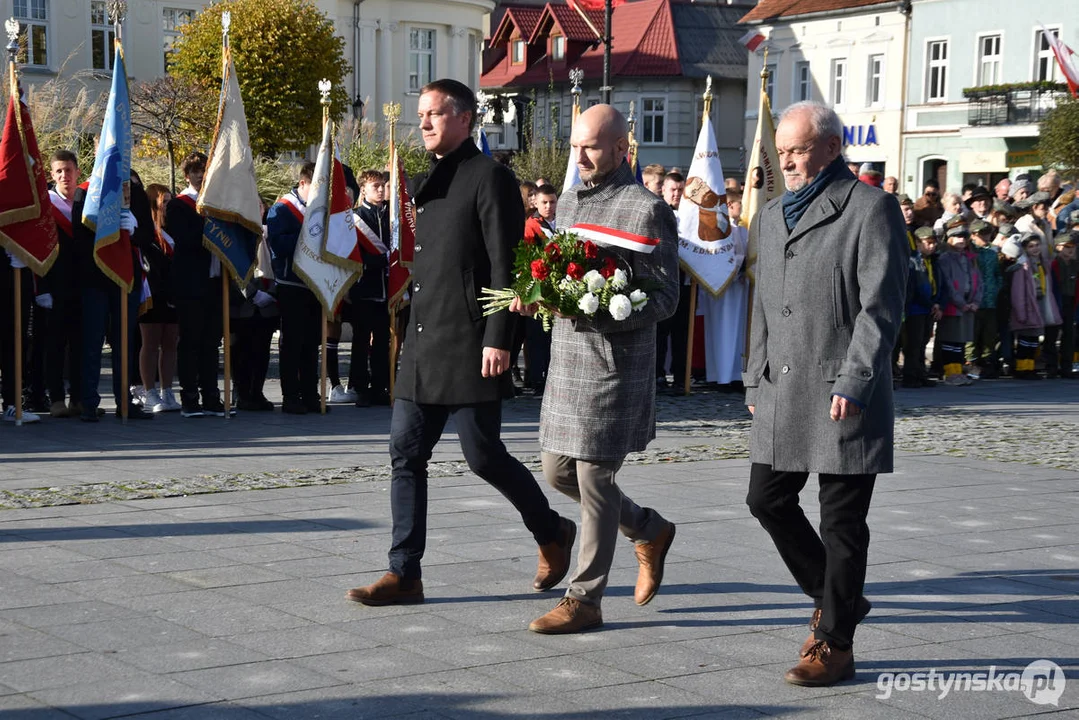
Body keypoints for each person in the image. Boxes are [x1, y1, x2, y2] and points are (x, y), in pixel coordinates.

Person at [346, 79, 575, 607]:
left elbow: (506, 261)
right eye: (420, 113)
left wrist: (500, 338)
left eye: (434, 113)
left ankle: (551, 532)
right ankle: (404, 572)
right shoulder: (432, 179)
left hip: (472, 342)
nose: (422, 122)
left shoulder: (489, 177)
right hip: (424, 343)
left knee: (483, 455)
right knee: (405, 454)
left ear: (466, 117)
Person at [743, 101, 908, 686]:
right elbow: (763, 302)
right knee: (765, 498)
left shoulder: (870, 208)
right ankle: (836, 595)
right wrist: (753, 373)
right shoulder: (770, 215)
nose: (786, 160)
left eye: (798, 149)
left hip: (842, 386)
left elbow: (881, 306)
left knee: (841, 520)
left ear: (831, 147)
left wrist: (857, 379)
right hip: (782, 384)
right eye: (781, 151)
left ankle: (834, 642)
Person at [514, 103, 679, 634]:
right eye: (575, 146)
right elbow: (564, 274)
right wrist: (540, 295)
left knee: (594, 477)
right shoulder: (567, 200)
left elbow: (668, 299)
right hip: (568, 360)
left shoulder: (647, 209)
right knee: (558, 473)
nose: (581, 156)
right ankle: (648, 529)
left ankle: (584, 599)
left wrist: (610, 304)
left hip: (615, 366)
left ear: (619, 149)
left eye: (591, 146)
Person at [166, 152, 230, 418]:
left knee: (211, 343)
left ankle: (212, 397)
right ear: (186, 175)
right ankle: (190, 398)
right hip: (191, 284)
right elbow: (186, 239)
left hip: (216, 283)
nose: (200, 175)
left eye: (204, 170)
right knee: (191, 341)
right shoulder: (179, 205)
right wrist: (211, 224)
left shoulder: (220, 204)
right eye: (195, 171)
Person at [266, 161, 324, 415]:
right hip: (291, 284)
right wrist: (308, 232)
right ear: (303, 183)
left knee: (312, 342)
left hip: (315, 284)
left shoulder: (320, 209)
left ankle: (311, 394)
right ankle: (291, 396)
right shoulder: (282, 209)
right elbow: (278, 246)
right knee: (292, 343)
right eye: (316, 187)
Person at [41, 150, 84, 418]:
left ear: (78, 172)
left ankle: (79, 398)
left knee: (82, 343)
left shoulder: (88, 201)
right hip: (55, 285)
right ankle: (56, 398)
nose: (64, 175)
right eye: (59, 171)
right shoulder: (46, 206)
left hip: (84, 285)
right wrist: (42, 287)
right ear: (52, 174)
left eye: (68, 170)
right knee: (54, 343)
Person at [348, 168, 392, 407]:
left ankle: (380, 386)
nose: (380, 190)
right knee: (361, 340)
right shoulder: (355, 218)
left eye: (383, 186)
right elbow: (354, 254)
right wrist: (379, 262)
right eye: (375, 186)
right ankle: (360, 387)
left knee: (383, 341)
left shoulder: (390, 217)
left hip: (387, 289)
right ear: (363, 189)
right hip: (364, 288)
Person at [139, 183, 181, 412]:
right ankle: (149, 392)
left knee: (170, 343)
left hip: (174, 295)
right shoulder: (147, 233)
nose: (168, 206)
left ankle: (167, 390)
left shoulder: (174, 229)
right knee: (151, 343)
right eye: (164, 202)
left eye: (170, 202)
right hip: (153, 295)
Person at [936, 216, 981, 386]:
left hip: (968, 307)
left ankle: (959, 371)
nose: (961, 240)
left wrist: (975, 301)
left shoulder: (971, 258)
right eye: (956, 237)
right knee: (950, 341)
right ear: (949, 239)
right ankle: (950, 372)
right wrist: (961, 303)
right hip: (953, 307)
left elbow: (979, 281)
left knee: (960, 341)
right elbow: (947, 284)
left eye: (963, 237)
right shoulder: (945, 259)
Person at [655, 172, 688, 390]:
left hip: (685, 282)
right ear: (663, 191)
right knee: (659, 333)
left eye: (680, 189)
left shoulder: (690, 215)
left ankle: (680, 377)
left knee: (681, 334)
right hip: (662, 281)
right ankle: (657, 375)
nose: (676, 194)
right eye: (672, 190)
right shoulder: (657, 213)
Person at [902, 226, 941, 388]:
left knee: (924, 341)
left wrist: (938, 303)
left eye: (934, 243)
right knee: (914, 343)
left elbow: (938, 284)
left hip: (929, 308)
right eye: (927, 243)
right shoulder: (913, 261)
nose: (931, 246)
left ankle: (920, 373)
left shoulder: (934, 261)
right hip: (916, 308)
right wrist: (930, 304)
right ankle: (910, 375)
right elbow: (915, 288)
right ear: (918, 243)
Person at [1008, 234, 1046, 379]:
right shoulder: (1022, 265)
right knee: (1025, 340)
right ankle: (1022, 368)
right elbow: (1017, 292)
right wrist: (1021, 312)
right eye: (1031, 246)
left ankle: (1030, 367)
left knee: (1033, 340)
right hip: (1026, 307)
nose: (1035, 248)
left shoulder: (1040, 263)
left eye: (1037, 245)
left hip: (1037, 305)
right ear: (1024, 249)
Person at [967, 220, 1002, 378]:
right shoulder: (970, 253)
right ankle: (971, 363)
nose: (986, 237)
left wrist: (996, 287)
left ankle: (987, 362)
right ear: (973, 235)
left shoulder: (991, 254)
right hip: (974, 300)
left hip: (990, 300)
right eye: (982, 234)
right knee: (972, 334)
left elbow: (997, 274)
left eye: (988, 233)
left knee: (989, 333)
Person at [1050, 233, 1078, 378]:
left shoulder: (1074, 264)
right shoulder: (1054, 264)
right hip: (1056, 301)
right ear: (1058, 247)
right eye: (1067, 247)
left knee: (1069, 335)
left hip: (1070, 302)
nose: (1070, 250)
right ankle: (1051, 367)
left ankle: (1066, 367)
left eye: (1072, 247)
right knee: (1052, 335)